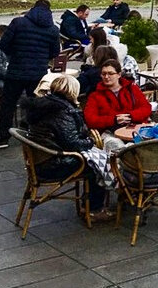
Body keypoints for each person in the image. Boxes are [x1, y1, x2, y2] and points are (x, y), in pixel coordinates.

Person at [21, 75, 113, 222]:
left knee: (97, 159)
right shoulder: (61, 110)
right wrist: (90, 141)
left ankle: (89, 204)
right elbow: (72, 143)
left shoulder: (44, 105)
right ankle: (93, 209)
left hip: (39, 160)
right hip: (54, 164)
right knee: (97, 165)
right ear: (72, 91)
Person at [0, 0, 61, 149]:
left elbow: (4, 44)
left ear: (33, 8)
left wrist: (15, 54)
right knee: (35, 105)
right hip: (38, 72)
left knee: (8, 105)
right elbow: (55, 52)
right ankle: (33, 135)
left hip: (16, 70)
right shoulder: (53, 29)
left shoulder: (18, 23)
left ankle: (2, 138)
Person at [83, 59, 152, 151]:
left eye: (110, 73)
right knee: (114, 145)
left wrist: (130, 116)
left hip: (135, 128)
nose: (106, 77)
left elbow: (146, 108)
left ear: (119, 74)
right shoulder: (95, 96)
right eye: (103, 74)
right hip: (109, 132)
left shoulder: (132, 89)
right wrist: (114, 120)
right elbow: (90, 119)